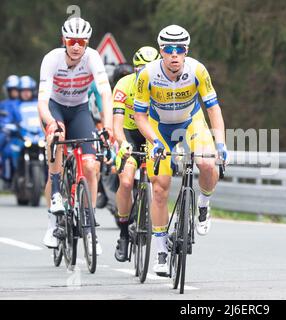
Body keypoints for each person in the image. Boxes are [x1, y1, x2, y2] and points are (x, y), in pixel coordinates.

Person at [134, 25, 228, 276]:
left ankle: (204, 205)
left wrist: (220, 143)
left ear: (186, 51)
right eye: (168, 49)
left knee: (208, 163)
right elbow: (139, 116)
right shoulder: (147, 75)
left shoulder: (197, 70)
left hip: (191, 122)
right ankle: (161, 250)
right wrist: (153, 141)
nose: (174, 55)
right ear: (161, 51)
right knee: (160, 187)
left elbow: (213, 109)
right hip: (159, 127)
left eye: (179, 49)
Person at [38, 17, 113, 251]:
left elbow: (105, 94)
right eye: (72, 40)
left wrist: (108, 127)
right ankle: (54, 215)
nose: (77, 45)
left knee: (91, 166)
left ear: (87, 42)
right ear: (64, 40)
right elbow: (42, 101)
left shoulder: (93, 58)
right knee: (57, 140)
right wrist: (51, 123)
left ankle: (90, 229)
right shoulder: (52, 59)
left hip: (79, 110)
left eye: (81, 41)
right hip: (54, 107)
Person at [112, 47, 161, 262]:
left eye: (150, 69)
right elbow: (117, 124)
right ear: (134, 69)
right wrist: (122, 143)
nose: (145, 73)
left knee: (159, 179)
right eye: (141, 69)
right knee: (125, 181)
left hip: (152, 135)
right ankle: (123, 233)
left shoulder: (162, 85)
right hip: (130, 135)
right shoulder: (124, 84)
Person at [0, 75, 21, 185]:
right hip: (8, 133)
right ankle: (5, 174)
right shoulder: (4, 104)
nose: (15, 92)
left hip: (22, 133)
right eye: (12, 90)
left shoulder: (24, 103)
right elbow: (3, 120)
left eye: (17, 89)